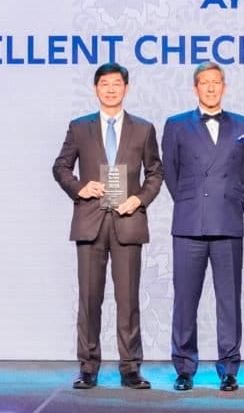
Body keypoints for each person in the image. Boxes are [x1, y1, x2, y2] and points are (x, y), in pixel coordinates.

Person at [52, 62, 163, 390]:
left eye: (117, 83)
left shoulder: (143, 129)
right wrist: (79, 187)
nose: (111, 89)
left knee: (128, 300)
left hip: (128, 221)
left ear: (126, 88)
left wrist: (139, 199)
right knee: (89, 299)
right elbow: (60, 167)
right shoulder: (79, 127)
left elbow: (155, 173)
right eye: (105, 83)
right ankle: (88, 367)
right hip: (91, 221)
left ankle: (130, 368)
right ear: (95, 88)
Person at [161, 62, 244, 392]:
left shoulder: (243, 124)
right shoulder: (176, 124)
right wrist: (192, 203)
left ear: (224, 87)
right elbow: (171, 173)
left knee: (229, 300)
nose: (211, 87)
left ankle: (229, 368)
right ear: (195, 88)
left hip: (227, 222)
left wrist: (230, 204)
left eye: (217, 82)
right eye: (205, 82)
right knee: (185, 300)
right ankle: (184, 367)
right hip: (189, 223)